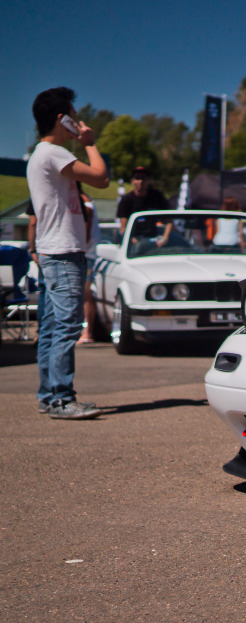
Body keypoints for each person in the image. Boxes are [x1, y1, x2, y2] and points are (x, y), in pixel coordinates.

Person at [26, 87, 108, 419]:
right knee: (67, 326)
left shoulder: (40, 154)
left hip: (53, 251)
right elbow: (101, 178)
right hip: (63, 252)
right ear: (62, 119)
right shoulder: (53, 153)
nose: (77, 122)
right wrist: (89, 143)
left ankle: (49, 395)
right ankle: (61, 398)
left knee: (51, 326)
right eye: (73, 117)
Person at [116, 166, 168, 235]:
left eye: (143, 178)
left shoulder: (157, 196)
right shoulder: (126, 200)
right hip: (134, 237)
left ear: (149, 180)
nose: (140, 181)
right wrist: (132, 239)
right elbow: (123, 228)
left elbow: (169, 219)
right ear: (132, 181)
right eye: (137, 178)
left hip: (154, 237)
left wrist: (165, 237)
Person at [79, 188, 100, 344]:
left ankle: (88, 332)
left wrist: (81, 246)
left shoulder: (85, 203)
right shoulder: (86, 201)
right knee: (84, 294)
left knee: (86, 294)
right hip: (87, 254)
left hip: (86, 254)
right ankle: (86, 331)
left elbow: (85, 229)